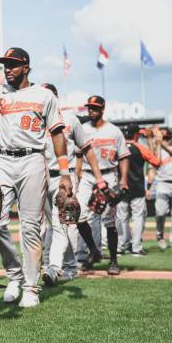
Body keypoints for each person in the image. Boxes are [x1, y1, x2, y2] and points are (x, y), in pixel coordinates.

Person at [0, 47, 73, 307]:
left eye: (13, 64)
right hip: (3, 160)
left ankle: (31, 287)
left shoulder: (44, 95)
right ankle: (14, 274)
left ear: (26, 67)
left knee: (31, 227)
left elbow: (57, 134)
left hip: (33, 160)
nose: (8, 69)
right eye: (5, 65)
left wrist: (66, 172)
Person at [40, 83, 105, 287]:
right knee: (56, 226)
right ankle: (69, 266)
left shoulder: (69, 119)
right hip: (40, 177)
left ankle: (55, 267)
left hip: (64, 177)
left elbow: (88, 150)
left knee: (63, 223)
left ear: (55, 97)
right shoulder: (34, 120)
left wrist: (99, 178)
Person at [74, 96, 130, 275]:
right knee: (79, 215)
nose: (91, 111)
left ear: (102, 109)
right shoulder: (82, 129)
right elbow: (78, 155)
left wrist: (123, 181)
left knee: (108, 219)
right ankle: (94, 250)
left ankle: (113, 260)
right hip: (88, 176)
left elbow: (123, 156)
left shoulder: (114, 131)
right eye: (89, 107)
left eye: (95, 108)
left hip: (108, 175)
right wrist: (77, 176)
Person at [115, 125, 161, 256]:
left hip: (121, 187)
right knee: (137, 218)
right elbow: (157, 163)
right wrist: (156, 143)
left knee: (121, 218)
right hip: (137, 188)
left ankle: (120, 247)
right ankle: (136, 248)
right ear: (136, 135)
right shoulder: (140, 148)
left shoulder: (118, 147)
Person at [151, 129, 172, 249]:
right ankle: (160, 236)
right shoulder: (158, 151)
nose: (164, 140)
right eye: (163, 138)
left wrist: (160, 142)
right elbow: (152, 168)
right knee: (160, 213)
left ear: (170, 139)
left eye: (166, 138)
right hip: (163, 183)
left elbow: (170, 150)